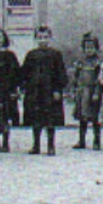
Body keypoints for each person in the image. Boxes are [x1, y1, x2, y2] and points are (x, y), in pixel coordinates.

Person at [19, 25, 69, 156]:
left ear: (50, 38)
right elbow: (25, 72)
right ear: (35, 39)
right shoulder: (31, 55)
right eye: (40, 37)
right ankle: (36, 145)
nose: (43, 40)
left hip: (50, 92)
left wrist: (58, 89)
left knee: (50, 119)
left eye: (45, 37)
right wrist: (23, 87)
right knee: (36, 119)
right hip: (35, 92)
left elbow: (60, 73)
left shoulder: (56, 55)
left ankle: (51, 146)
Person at [0, 24, 22, 153]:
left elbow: (16, 73)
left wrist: (15, 89)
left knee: (4, 117)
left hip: (6, 91)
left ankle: (5, 142)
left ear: (4, 38)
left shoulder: (9, 55)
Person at [70, 33, 103, 150]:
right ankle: (82, 140)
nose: (89, 50)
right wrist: (74, 89)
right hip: (82, 91)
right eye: (87, 48)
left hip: (92, 92)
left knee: (95, 118)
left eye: (91, 47)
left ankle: (97, 140)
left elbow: (99, 79)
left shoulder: (98, 63)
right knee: (82, 118)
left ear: (96, 48)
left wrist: (97, 92)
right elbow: (75, 76)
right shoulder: (81, 62)